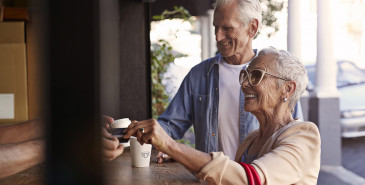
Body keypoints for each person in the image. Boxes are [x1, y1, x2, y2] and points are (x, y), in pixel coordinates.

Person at [101, 0, 303, 162]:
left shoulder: (278, 78)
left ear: (252, 28)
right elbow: (169, 126)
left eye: (226, 28)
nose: (217, 36)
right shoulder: (198, 75)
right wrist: (127, 134)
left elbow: (294, 139)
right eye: (216, 27)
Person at [124, 47, 321, 184]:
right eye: (245, 75)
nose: (244, 84)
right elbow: (227, 178)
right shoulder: (252, 140)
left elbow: (249, 180)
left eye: (256, 76)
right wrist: (179, 154)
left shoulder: (304, 136)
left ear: (287, 89)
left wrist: (171, 146)